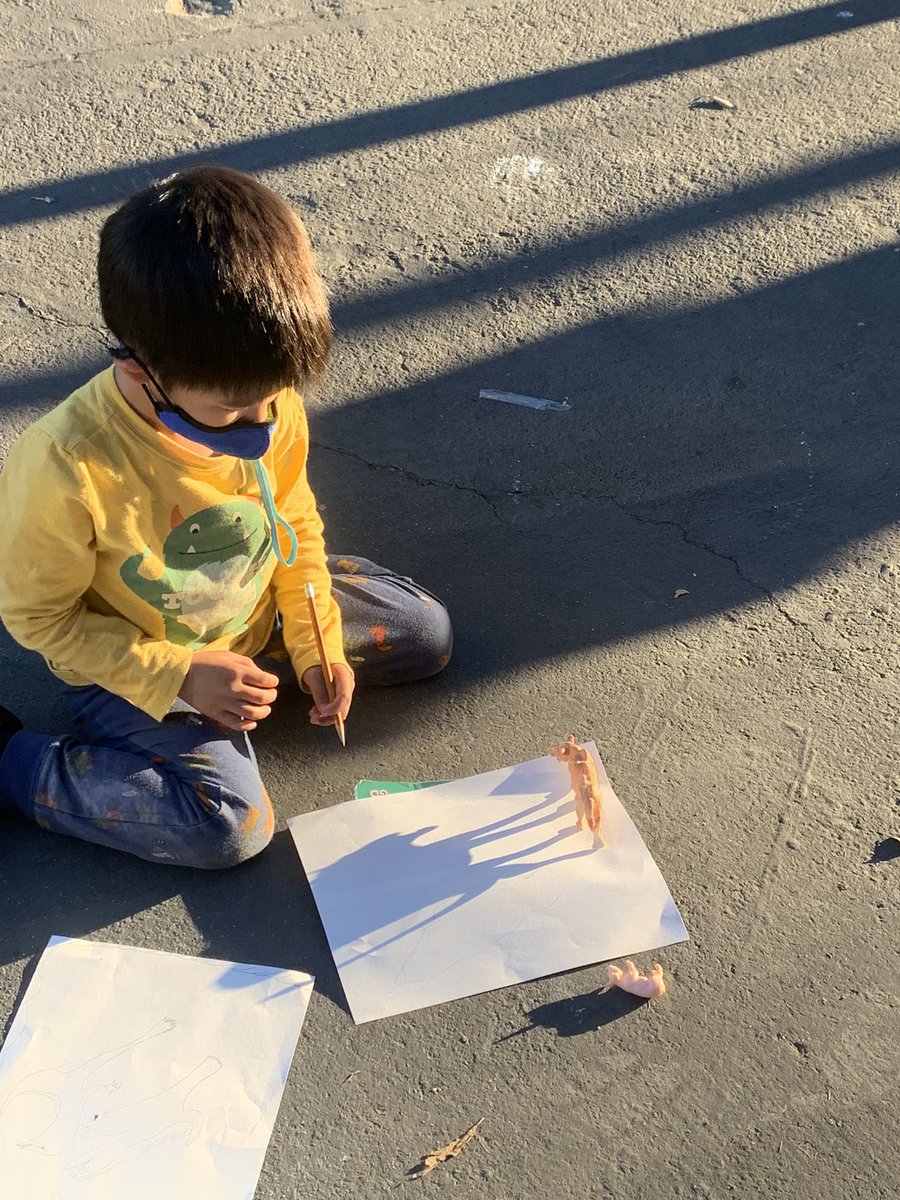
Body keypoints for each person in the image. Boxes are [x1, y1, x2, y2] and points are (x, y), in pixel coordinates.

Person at [0, 165, 451, 869]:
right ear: (139, 368)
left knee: (425, 633)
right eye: (230, 411)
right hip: (138, 657)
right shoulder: (66, 465)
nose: (262, 424)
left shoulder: (261, 392)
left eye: (276, 398)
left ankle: (283, 657)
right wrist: (179, 675)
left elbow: (291, 520)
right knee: (230, 830)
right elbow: (40, 621)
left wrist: (315, 643)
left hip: (253, 609)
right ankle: (12, 764)